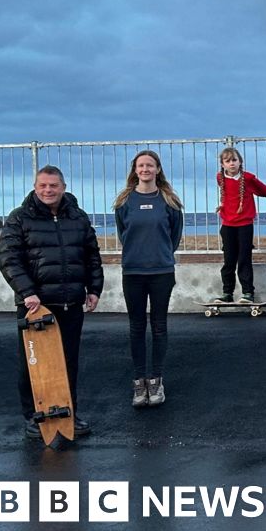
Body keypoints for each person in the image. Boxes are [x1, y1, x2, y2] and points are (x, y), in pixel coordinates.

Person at [0, 165, 104, 438]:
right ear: (35, 188)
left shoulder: (78, 217)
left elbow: (91, 255)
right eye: (43, 185)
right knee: (33, 366)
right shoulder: (19, 218)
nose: (48, 190)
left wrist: (94, 289)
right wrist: (27, 292)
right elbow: (9, 258)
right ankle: (35, 417)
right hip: (36, 307)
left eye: (53, 185)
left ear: (63, 188)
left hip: (71, 304)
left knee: (68, 363)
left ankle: (68, 414)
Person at [113, 150, 184, 408]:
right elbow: (123, 233)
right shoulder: (124, 202)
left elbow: (174, 236)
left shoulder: (169, 201)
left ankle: (156, 380)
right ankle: (139, 381)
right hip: (133, 272)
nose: (145, 169)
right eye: (141, 165)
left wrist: (160, 255)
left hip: (161, 272)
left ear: (158, 169)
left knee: (159, 326)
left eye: (150, 165)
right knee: (136, 327)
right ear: (135, 169)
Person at [213, 147, 266, 304]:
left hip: (245, 225)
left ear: (240, 162)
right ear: (222, 164)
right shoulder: (220, 178)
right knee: (229, 260)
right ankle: (227, 293)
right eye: (227, 161)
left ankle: (247, 293)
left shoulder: (248, 178)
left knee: (244, 259)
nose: (231, 163)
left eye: (234, 160)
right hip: (227, 225)